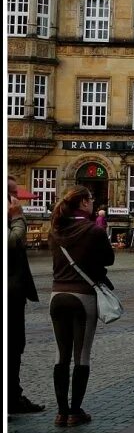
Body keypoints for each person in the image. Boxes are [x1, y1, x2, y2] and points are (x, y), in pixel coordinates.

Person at [48, 185, 113, 427]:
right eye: (91, 199)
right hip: (83, 295)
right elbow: (109, 259)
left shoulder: (55, 230)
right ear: (84, 203)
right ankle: (75, 411)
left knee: (60, 355)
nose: (93, 203)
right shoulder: (93, 231)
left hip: (57, 295)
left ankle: (60, 411)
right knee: (81, 355)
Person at [8, 177, 44, 414]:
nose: (16, 198)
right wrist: (18, 218)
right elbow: (11, 243)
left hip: (14, 291)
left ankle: (13, 396)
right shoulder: (13, 217)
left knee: (15, 345)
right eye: (12, 193)